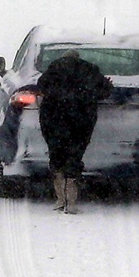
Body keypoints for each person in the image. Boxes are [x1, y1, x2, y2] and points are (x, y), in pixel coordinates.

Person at [37, 49, 112, 213]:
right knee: (75, 154)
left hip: (53, 118)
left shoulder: (53, 69)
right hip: (81, 118)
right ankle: (71, 201)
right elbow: (105, 91)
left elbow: (41, 87)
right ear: (78, 58)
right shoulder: (90, 70)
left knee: (56, 153)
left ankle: (60, 199)